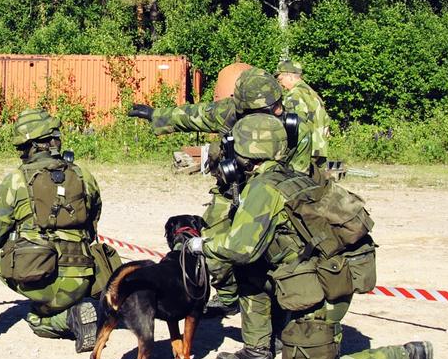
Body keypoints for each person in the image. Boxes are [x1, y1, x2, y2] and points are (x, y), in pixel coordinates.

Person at [186, 114, 433, 359]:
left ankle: (409, 357)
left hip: (328, 282)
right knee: (251, 274)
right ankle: (257, 351)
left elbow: (240, 248)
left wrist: (201, 246)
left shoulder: (262, 189)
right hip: (322, 267)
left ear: (246, 153)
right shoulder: (288, 174)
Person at [129, 67, 318, 318]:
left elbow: (297, 178)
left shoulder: (296, 129)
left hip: (274, 198)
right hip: (233, 189)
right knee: (212, 250)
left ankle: (279, 313)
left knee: (277, 254)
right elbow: (195, 114)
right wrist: (158, 116)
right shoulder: (231, 112)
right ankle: (229, 297)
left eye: (271, 109)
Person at [0, 109, 103, 352]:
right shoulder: (84, 176)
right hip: (80, 276)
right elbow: (92, 228)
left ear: (32, 147)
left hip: (39, 274)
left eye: (22, 149)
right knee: (38, 318)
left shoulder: (17, 180)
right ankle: (74, 315)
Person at [275, 60, 330, 171]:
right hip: (319, 150)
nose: (280, 84)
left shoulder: (294, 95)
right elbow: (326, 124)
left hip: (304, 151)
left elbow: (295, 126)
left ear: (290, 76)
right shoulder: (312, 93)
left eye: (280, 79)